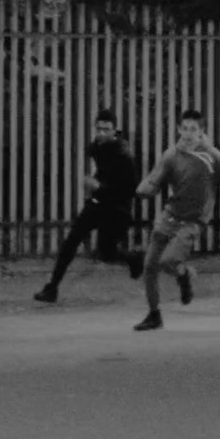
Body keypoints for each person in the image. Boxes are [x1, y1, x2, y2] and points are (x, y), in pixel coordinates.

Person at [130, 109, 220, 331]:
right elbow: (154, 180)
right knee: (149, 265)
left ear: (201, 131)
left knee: (168, 261)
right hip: (170, 215)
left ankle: (184, 274)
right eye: (184, 128)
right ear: (178, 129)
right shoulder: (170, 155)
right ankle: (154, 314)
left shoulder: (213, 156)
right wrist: (145, 189)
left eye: (193, 129)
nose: (188, 134)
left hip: (193, 221)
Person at [34, 109, 142, 303]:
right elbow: (92, 151)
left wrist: (99, 185)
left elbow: (130, 190)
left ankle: (134, 260)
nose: (101, 133)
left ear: (115, 130)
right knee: (70, 242)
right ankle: (51, 289)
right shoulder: (97, 147)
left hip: (117, 209)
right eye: (98, 129)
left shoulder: (124, 156)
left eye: (106, 129)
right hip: (97, 204)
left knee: (106, 253)